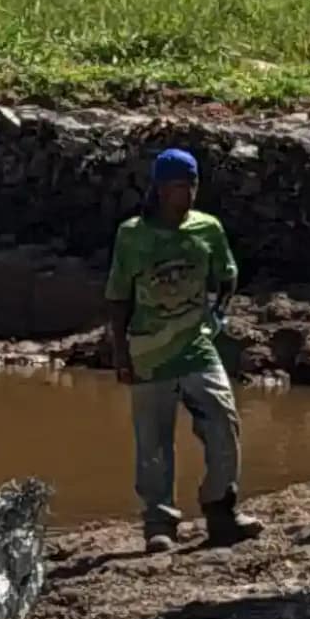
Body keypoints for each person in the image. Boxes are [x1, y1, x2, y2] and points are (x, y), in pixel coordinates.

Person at [105, 147, 263, 553]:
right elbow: (118, 298)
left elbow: (227, 275)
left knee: (224, 425)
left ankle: (221, 509)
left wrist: (217, 317)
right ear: (159, 190)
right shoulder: (133, 235)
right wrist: (120, 353)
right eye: (177, 187)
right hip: (149, 351)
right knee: (154, 443)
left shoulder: (207, 229)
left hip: (197, 346)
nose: (186, 195)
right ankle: (159, 523)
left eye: (191, 186)